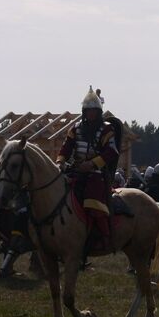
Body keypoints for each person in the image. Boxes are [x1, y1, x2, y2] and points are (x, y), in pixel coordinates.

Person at [56, 86, 119, 255]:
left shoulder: (106, 129)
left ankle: (102, 235)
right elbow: (66, 148)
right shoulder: (75, 128)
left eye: (94, 110)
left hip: (95, 174)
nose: (91, 113)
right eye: (88, 110)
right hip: (74, 171)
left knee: (93, 202)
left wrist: (92, 164)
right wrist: (60, 162)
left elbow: (111, 152)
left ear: (98, 112)